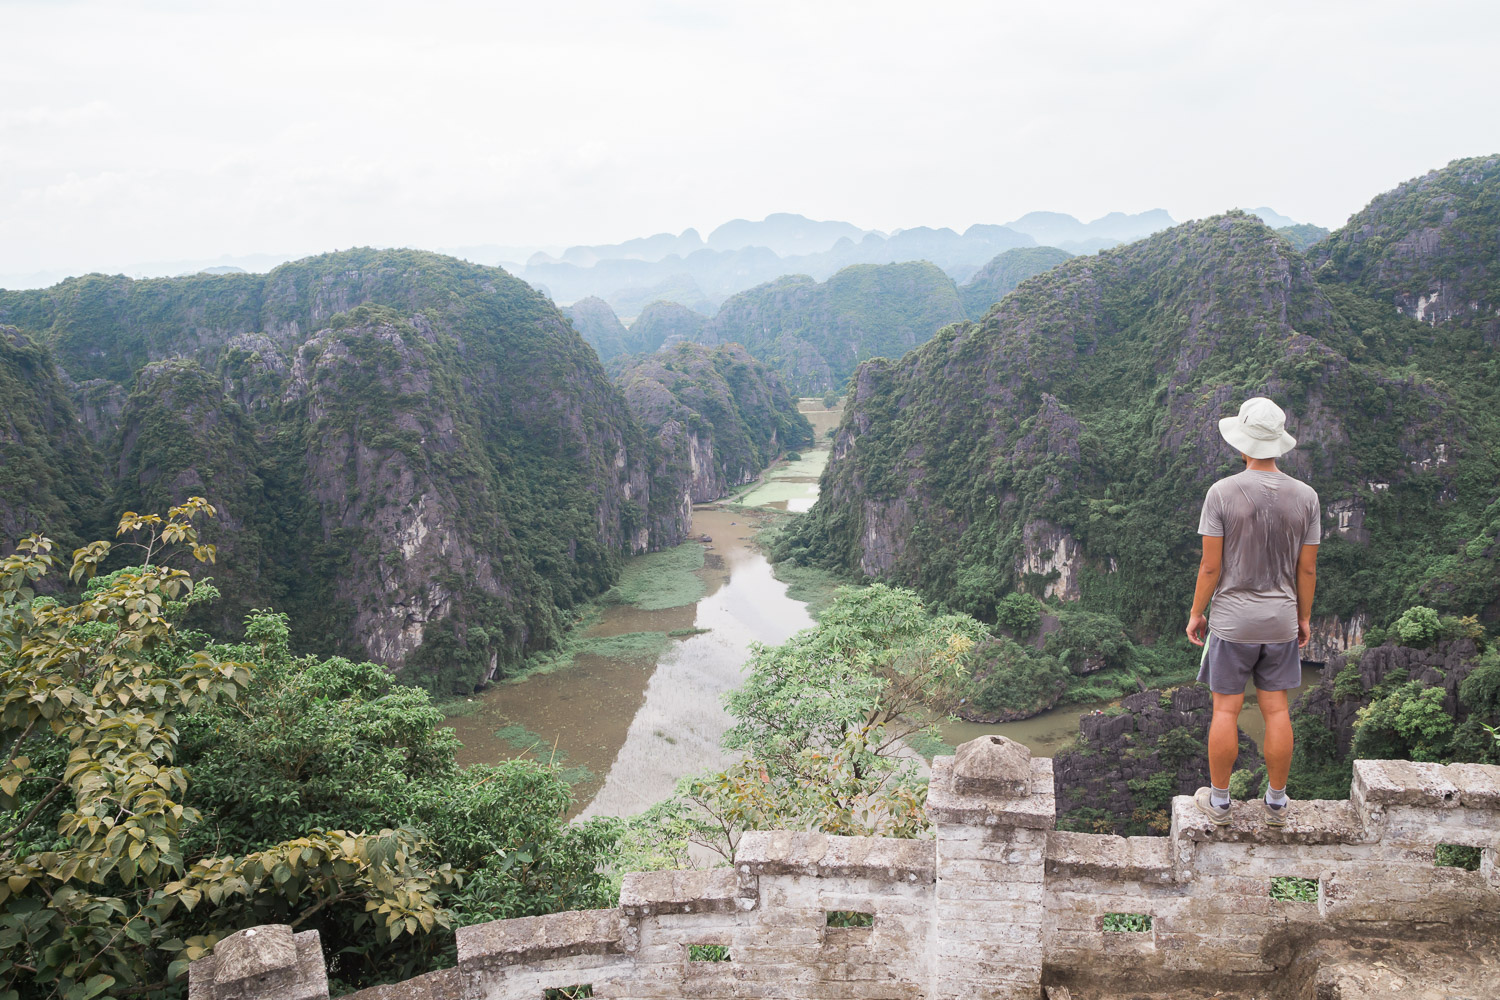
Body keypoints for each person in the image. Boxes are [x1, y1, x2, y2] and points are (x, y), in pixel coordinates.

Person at [1186, 397, 1320, 828]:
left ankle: (1220, 803)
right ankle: (1277, 804)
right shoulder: (1306, 497)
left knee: (1225, 711)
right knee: (1277, 712)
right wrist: (1303, 618)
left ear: (1243, 444)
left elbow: (1211, 565)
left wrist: (1196, 613)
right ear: (1278, 444)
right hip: (1281, 620)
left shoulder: (1222, 492)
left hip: (1231, 621)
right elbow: (1307, 567)